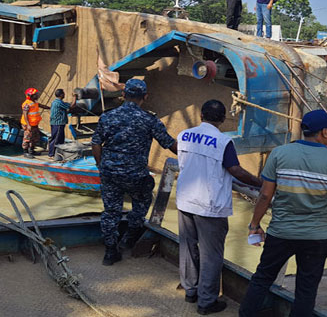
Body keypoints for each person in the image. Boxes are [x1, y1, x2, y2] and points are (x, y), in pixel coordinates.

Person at [239, 109, 327, 317]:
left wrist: (254, 224)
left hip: (281, 232)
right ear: (323, 132)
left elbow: (265, 196)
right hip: (316, 237)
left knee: (262, 278)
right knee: (306, 290)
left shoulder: (279, 153)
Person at [176, 99, 262, 315]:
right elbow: (236, 170)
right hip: (209, 206)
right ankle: (206, 303)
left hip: (185, 200)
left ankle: (190, 291)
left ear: (201, 115)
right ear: (223, 119)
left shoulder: (184, 135)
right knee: (211, 255)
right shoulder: (223, 142)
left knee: (188, 247)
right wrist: (261, 183)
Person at [91, 78, 178, 266]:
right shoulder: (150, 120)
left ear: (123, 95)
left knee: (111, 211)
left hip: (110, 172)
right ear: (145, 97)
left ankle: (110, 252)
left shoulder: (108, 116)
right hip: (136, 174)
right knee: (143, 200)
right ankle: (129, 238)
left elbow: (95, 143)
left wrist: (101, 166)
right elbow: (171, 145)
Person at [48, 89, 77, 161]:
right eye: (63, 93)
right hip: (57, 123)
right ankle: (51, 154)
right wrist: (75, 97)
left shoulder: (58, 102)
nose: (64, 94)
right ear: (61, 95)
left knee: (60, 139)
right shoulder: (58, 102)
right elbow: (72, 106)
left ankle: (58, 154)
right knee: (55, 139)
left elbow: (68, 105)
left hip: (59, 123)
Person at [21, 87, 50, 158]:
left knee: (35, 137)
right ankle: (25, 152)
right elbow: (25, 114)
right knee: (27, 138)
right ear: (30, 96)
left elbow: (41, 105)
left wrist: (50, 107)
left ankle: (31, 150)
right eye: (35, 94)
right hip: (28, 124)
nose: (37, 95)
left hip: (34, 124)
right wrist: (28, 125)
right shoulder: (26, 104)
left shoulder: (34, 102)